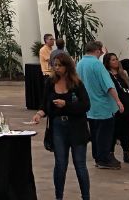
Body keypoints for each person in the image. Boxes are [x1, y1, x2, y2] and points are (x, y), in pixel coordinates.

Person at [30, 53, 92, 200]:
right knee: (60, 164)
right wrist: (39, 114)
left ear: (67, 67)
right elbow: (44, 104)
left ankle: (86, 196)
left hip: (77, 126)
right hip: (58, 126)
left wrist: (66, 105)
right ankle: (59, 197)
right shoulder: (50, 83)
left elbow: (85, 105)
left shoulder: (77, 84)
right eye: (55, 65)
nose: (57, 68)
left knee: (80, 164)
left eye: (60, 65)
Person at [76, 39, 122, 170]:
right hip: (103, 106)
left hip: (89, 107)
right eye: (101, 51)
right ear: (97, 51)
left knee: (95, 134)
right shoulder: (97, 65)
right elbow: (108, 85)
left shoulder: (80, 64)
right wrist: (118, 101)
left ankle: (98, 157)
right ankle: (104, 159)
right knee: (104, 135)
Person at [104, 52, 129, 164]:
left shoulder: (122, 74)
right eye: (113, 60)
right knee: (114, 131)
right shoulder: (107, 75)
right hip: (115, 106)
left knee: (126, 130)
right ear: (108, 62)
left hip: (127, 104)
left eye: (116, 59)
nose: (116, 61)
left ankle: (126, 154)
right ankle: (110, 154)